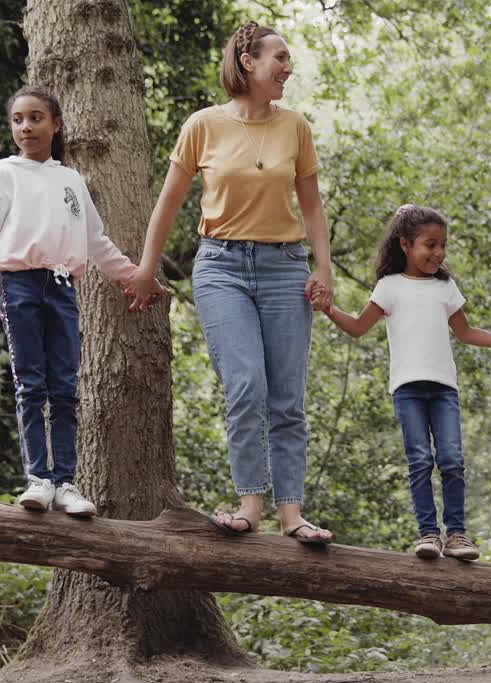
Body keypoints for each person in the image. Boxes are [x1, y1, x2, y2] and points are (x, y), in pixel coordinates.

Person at [128, 21, 335, 543]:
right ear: (248, 61)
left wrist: (323, 268)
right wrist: (146, 269)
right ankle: (249, 505)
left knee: (287, 397)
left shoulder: (296, 128)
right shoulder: (203, 125)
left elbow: (312, 206)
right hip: (220, 267)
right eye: (280, 58)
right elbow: (169, 203)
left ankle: (292, 514)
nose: (288, 68)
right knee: (246, 384)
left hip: (285, 267)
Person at [0, 85, 167, 517]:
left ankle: (65, 483)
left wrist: (135, 278)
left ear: (56, 125)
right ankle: (38, 478)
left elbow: (96, 242)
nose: (25, 127)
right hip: (19, 286)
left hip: (62, 290)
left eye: (35, 118)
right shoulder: (5, 174)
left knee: (64, 388)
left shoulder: (70, 180)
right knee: (31, 385)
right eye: (18, 119)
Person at [320, 205, 491, 561]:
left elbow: (464, 332)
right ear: (405, 244)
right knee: (419, 459)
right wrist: (328, 309)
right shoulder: (389, 287)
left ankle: (458, 535)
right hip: (408, 389)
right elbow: (358, 327)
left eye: (443, 245)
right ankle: (428, 534)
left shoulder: (445, 287)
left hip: (444, 388)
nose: (438, 253)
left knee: (451, 459)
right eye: (429, 245)